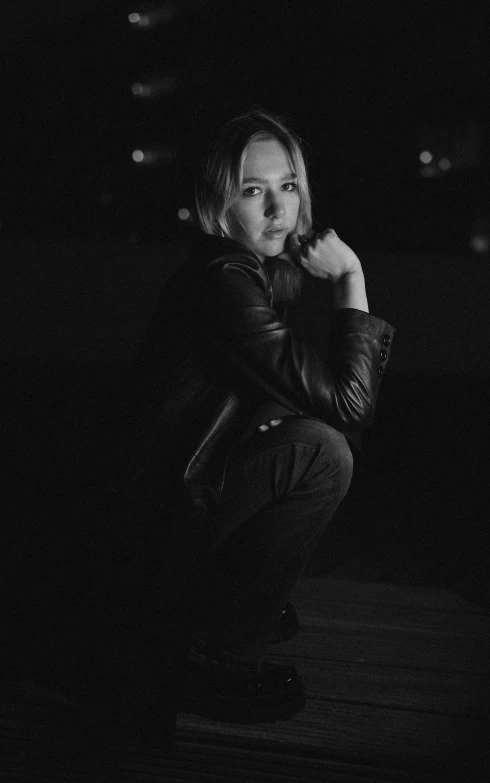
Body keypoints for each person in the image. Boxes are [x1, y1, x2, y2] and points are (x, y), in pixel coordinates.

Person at [133, 108, 395, 725]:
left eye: (288, 186)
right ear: (219, 203)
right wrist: (351, 280)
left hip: (172, 500)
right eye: (254, 191)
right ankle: (213, 660)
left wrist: (269, 415)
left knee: (310, 437)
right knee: (322, 452)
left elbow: (280, 391)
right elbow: (351, 405)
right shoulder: (223, 278)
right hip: (154, 521)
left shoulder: (246, 272)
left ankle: (224, 610)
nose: (279, 209)